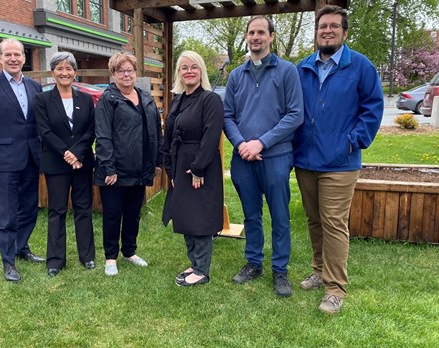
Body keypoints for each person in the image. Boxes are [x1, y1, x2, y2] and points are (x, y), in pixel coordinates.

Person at [294, 5, 384, 314]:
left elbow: (373, 107)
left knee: (333, 222)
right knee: (314, 219)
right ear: (316, 32)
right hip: (305, 159)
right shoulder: (302, 68)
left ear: (344, 32)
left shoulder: (360, 67)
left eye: (334, 26)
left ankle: (335, 288)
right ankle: (319, 270)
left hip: (340, 162)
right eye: (322, 27)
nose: (327, 30)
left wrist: (354, 140)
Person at [223, 16, 304, 297]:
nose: (255, 37)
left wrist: (262, 143)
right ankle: (253, 262)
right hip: (243, 159)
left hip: (276, 156)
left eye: (261, 32)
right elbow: (227, 115)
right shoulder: (236, 75)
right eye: (251, 32)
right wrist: (242, 144)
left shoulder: (287, 71)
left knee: (279, 216)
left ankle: (280, 270)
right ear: (246, 37)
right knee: (251, 215)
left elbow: (295, 114)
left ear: (271, 37)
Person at [0, 38, 45, 281]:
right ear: (0, 58)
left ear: (24, 58)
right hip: (4, 161)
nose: (13, 59)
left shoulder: (34, 87)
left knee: (29, 209)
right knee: (6, 215)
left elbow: (38, 123)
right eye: (9, 55)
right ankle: (8, 263)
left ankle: (21, 247)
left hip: (31, 159)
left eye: (18, 55)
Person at [94, 52, 163, 276]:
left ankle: (130, 251)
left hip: (140, 168)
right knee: (113, 214)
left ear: (135, 72)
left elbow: (156, 132)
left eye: (130, 70)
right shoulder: (108, 99)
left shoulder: (145, 97)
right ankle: (111, 257)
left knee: (133, 213)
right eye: (121, 71)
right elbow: (103, 136)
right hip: (116, 170)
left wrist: (157, 161)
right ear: (113, 74)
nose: (126, 74)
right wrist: (108, 167)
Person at [162, 51, 224, 287]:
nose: (189, 71)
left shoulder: (210, 100)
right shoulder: (178, 100)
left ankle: (202, 269)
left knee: (200, 218)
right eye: (184, 67)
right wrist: (170, 169)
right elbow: (168, 135)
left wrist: (198, 169)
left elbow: (210, 137)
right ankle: (194, 263)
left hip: (201, 167)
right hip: (180, 166)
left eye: (194, 67)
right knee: (185, 215)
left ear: (201, 72)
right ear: (179, 73)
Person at [35, 52, 96, 277]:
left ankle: (87, 256)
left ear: (75, 72)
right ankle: (55, 260)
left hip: (82, 164)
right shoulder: (42, 100)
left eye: (69, 68)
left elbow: (92, 129)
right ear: (53, 72)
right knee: (57, 211)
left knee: (83, 209)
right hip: (56, 164)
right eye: (59, 68)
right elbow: (44, 131)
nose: (64, 73)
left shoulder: (86, 99)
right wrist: (67, 154)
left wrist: (77, 154)